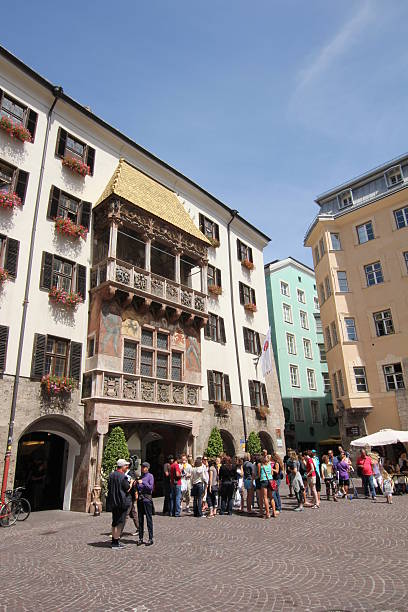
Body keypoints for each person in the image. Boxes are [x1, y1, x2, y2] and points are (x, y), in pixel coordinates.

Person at [106, 459, 133, 549]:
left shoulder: (111, 475)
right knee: (120, 522)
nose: (127, 467)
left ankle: (114, 540)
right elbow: (127, 488)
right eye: (126, 466)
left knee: (114, 521)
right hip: (121, 501)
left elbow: (109, 486)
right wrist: (132, 483)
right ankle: (116, 542)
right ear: (122, 467)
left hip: (113, 501)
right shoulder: (122, 477)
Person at [136, 462, 154, 546]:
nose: (142, 468)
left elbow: (150, 488)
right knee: (140, 519)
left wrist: (143, 482)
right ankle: (140, 538)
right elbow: (138, 487)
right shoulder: (141, 476)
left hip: (147, 499)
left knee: (148, 518)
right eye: (142, 467)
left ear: (147, 468)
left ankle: (150, 538)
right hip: (140, 499)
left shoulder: (150, 476)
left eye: (144, 467)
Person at [258, 454, 277, 518]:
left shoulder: (261, 466)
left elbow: (259, 475)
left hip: (264, 481)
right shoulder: (269, 465)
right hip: (270, 480)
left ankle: (268, 513)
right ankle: (274, 512)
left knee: (265, 497)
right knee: (271, 497)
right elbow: (272, 473)